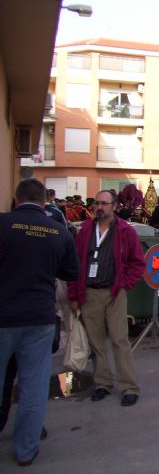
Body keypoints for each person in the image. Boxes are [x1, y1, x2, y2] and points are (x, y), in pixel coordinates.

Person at [0, 179, 79, 466]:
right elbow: (71, 271)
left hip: (4, 315)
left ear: (17, 199)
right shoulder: (58, 231)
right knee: (33, 387)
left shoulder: (3, 224)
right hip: (40, 317)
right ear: (45, 202)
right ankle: (26, 450)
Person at [67, 189, 145, 407]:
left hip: (114, 293)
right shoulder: (83, 231)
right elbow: (74, 265)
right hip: (89, 293)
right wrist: (74, 296)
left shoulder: (125, 231)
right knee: (96, 342)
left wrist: (124, 286)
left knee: (120, 340)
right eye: (97, 204)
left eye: (104, 204)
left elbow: (138, 263)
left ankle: (128, 386)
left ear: (114, 206)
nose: (99, 207)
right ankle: (102, 383)